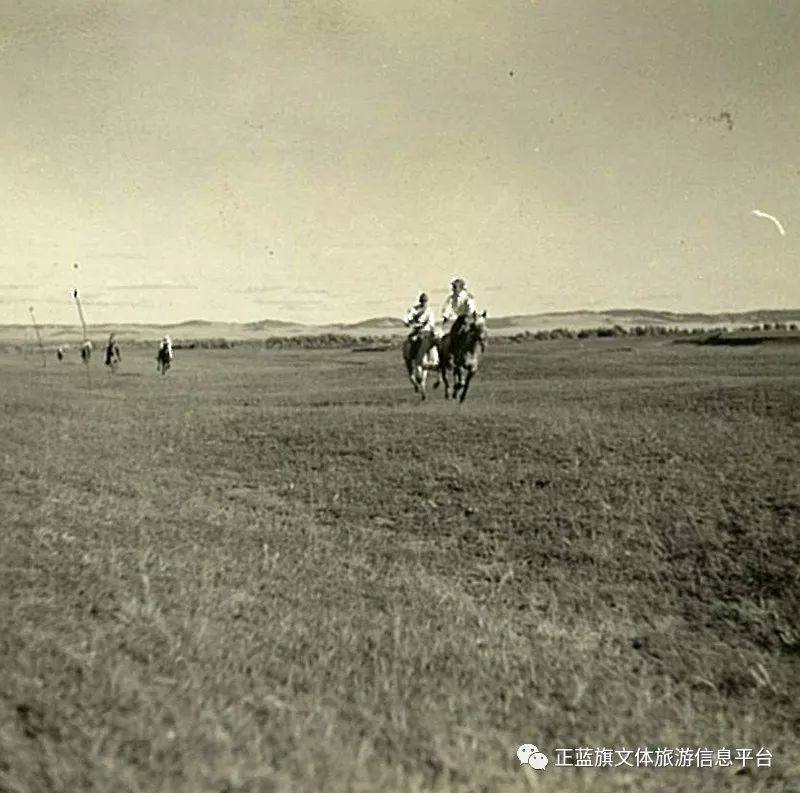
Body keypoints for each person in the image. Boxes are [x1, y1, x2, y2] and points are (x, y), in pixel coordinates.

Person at [440, 277, 478, 360]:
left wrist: (468, 317)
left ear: (461, 287)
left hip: (468, 318)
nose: (453, 289)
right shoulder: (451, 297)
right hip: (459, 319)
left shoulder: (468, 297)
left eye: (455, 287)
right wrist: (445, 316)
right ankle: (453, 352)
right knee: (453, 334)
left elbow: (471, 309)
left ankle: (473, 352)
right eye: (453, 287)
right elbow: (447, 307)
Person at [403, 292, 438, 365]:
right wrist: (409, 322)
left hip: (426, 331)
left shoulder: (429, 310)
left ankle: (430, 361)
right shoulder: (415, 309)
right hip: (416, 331)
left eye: (425, 301)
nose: (424, 302)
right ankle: (408, 358)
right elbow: (409, 319)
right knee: (407, 342)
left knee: (428, 341)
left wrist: (430, 329)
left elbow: (431, 323)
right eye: (422, 301)